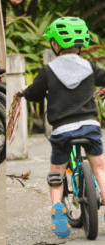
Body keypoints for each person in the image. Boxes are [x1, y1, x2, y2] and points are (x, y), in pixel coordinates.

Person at [21, 16, 105, 238]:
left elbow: (34, 94)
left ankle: (58, 213)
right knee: (99, 167)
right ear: (81, 44)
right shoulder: (89, 66)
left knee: (57, 172)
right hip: (90, 127)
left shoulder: (48, 71)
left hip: (62, 131)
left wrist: (24, 91)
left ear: (56, 44)